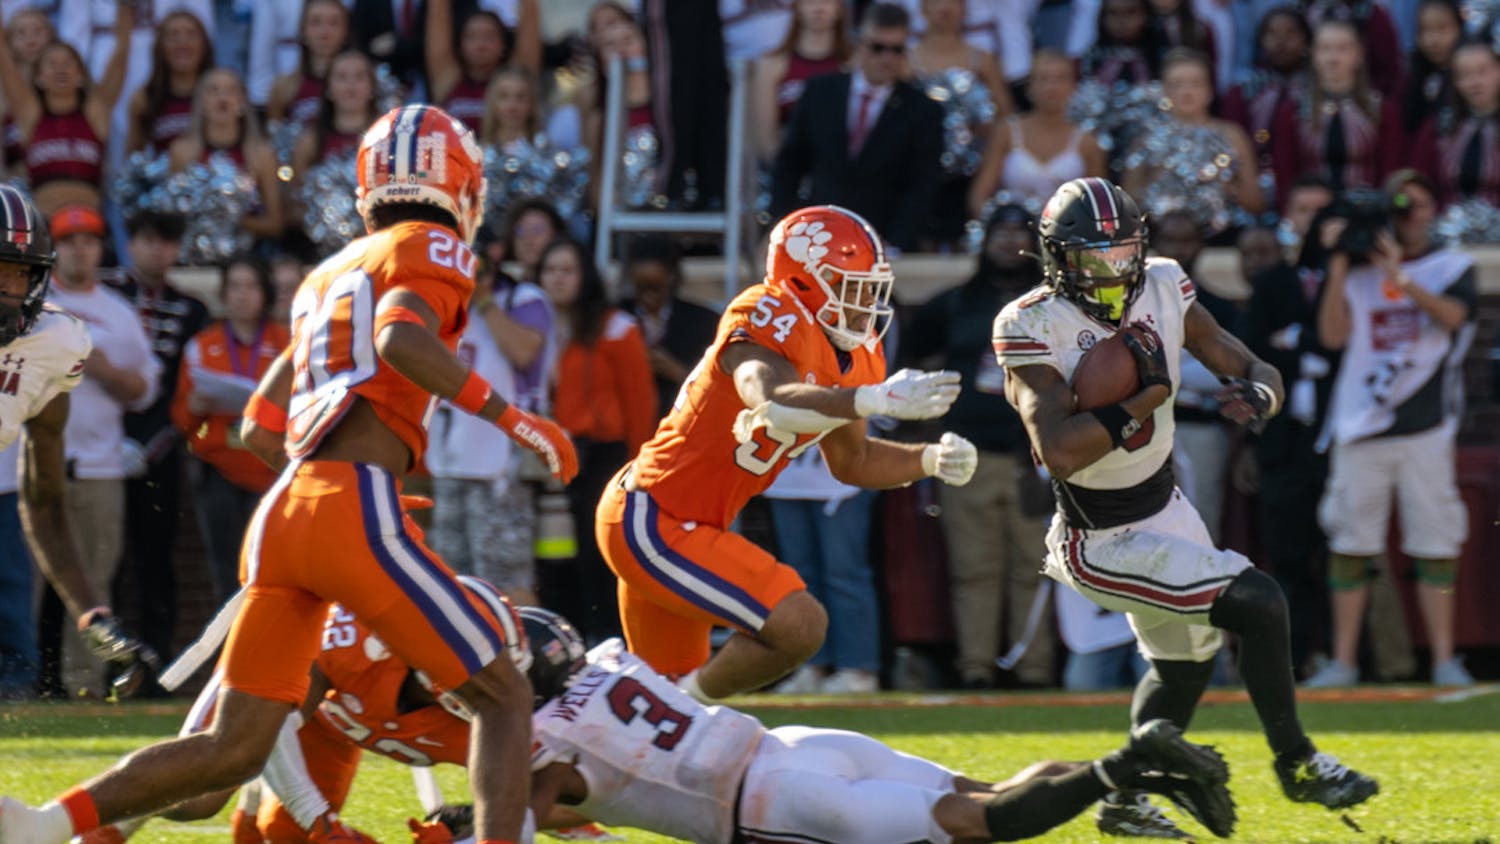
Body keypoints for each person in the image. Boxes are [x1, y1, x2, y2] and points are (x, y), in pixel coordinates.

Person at [0, 104, 577, 844]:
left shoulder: (330, 273)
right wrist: (516, 420)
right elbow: (402, 337)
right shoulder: (434, 246)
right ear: (461, 184)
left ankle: (48, 825)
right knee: (503, 694)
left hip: (284, 515)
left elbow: (258, 425)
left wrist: (343, 489)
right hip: (346, 507)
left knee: (230, 748)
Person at [992, 177, 1377, 838]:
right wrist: (1144, 397)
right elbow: (1057, 451)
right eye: (1096, 257)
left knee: (1184, 667)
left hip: (1165, 507)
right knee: (1260, 603)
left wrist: (1260, 396)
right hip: (1099, 536)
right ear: (1059, 258)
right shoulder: (1029, 322)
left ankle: (1122, 798)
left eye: (1124, 251)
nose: (1115, 270)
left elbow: (1252, 365)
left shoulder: (1165, 283)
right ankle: (1298, 763)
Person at [596, 203, 977, 703]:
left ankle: (633, 719)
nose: (865, 301)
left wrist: (927, 459)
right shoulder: (766, 310)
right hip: (653, 515)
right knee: (799, 623)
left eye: (870, 287)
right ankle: (683, 711)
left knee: (656, 699)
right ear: (802, 281)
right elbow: (768, 396)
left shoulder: (858, 354)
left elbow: (853, 460)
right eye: (851, 284)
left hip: (692, 527)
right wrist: (869, 399)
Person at [516, 610, 1236, 843]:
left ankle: (1126, 765)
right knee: (985, 793)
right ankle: (1133, 765)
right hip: (797, 746)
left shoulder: (549, 748)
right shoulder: (611, 666)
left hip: (776, 802)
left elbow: (525, 816)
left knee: (978, 823)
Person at [1306, 171, 1478, 688]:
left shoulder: (1452, 267)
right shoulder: (1356, 273)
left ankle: (1446, 661)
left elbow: (1453, 318)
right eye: (1395, 208)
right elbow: (1332, 337)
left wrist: (1402, 279)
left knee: (1436, 541)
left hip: (1426, 428)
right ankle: (1343, 662)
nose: (1406, 216)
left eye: (1415, 205)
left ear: (1432, 210)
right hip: (1361, 427)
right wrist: (1338, 265)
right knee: (1351, 541)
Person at [0, 187, 159, 700]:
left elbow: (44, 497)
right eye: (0, 268)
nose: (10, 287)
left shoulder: (53, 343)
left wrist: (92, 611)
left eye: (22, 272)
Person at [903, 203, 1057, 690]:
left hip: (1033, 458)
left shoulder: (1055, 306)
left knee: (1035, 570)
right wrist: (926, 427)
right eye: (1000, 232)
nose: (1008, 242)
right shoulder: (954, 304)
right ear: (982, 240)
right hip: (968, 456)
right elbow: (912, 356)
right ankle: (975, 669)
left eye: (1019, 232)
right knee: (973, 571)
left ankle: (1034, 672)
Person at [539, 237, 657, 644]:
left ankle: (611, 637)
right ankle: (572, 638)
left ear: (585, 276)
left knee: (601, 550)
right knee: (557, 555)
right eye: (550, 270)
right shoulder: (536, 326)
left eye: (567, 270)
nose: (557, 279)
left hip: (608, 455)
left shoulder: (616, 327)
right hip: (554, 453)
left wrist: (640, 467)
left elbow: (640, 402)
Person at [770, 3, 944, 253]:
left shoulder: (922, 109)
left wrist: (897, 243)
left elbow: (922, 185)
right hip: (817, 236)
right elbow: (789, 165)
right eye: (878, 47)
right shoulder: (820, 92)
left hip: (881, 241)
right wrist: (785, 227)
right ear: (860, 44)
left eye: (897, 49)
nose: (887, 58)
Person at [171, 259, 291, 602]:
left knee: (272, 568)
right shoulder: (201, 346)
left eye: (250, 286)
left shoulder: (287, 343)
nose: (242, 295)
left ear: (264, 293)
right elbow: (180, 421)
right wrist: (193, 408)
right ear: (223, 294)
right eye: (234, 287)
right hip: (218, 472)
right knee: (225, 572)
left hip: (273, 472)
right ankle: (228, 652)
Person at [0, 2, 134, 216]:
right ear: (39, 77)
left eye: (68, 63)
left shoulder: (95, 113)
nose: (60, 69)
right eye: (52, 64)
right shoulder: (30, 115)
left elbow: (122, 52)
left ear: (81, 75)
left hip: (90, 229)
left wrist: (124, 10)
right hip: (43, 227)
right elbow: (4, 57)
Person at [1269, 18, 1404, 204]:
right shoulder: (1293, 111)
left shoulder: (1381, 111)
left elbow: (1390, 172)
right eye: (1325, 49)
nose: (1333, 58)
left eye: (1342, 49)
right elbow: (1285, 174)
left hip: (1366, 214)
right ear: (1313, 54)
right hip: (1309, 213)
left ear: (1359, 54)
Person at [967, 49, 1107, 219]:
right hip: (1014, 233)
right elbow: (979, 195)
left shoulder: (1088, 142)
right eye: (1043, 79)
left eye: (1060, 79)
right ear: (1029, 87)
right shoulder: (1007, 133)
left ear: (1073, 87)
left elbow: (1099, 204)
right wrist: (996, 227)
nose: (1051, 87)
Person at [617, 235, 720, 420]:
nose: (648, 296)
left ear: (673, 278)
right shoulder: (615, 318)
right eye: (641, 288)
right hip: (626, 423)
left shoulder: (704, 322)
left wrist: (678, 371)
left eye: (656, 287)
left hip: (683, 421)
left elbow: (719, 387)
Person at [749, 0, 851, 165]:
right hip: (786, 169)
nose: (819, 8)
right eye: (810, 2)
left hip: (838, 173)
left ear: (839, 8)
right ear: (797, 7)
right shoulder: (772, 66)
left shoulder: (852, 66)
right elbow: (765, 141)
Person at [126, 11, 216, 155]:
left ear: (205, 45)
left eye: (191, 34)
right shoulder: (144, 98)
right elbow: (133, 159)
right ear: (160, 47)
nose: (182, 43)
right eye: (173, 36)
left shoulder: (221, 93)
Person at [265, 0, 351, 125]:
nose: (324, 33)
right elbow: (273, 139)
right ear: (303, 30)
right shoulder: (283, 87)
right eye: (315, 22)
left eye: (334, 23)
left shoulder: (364, 84)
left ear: (346, 31)